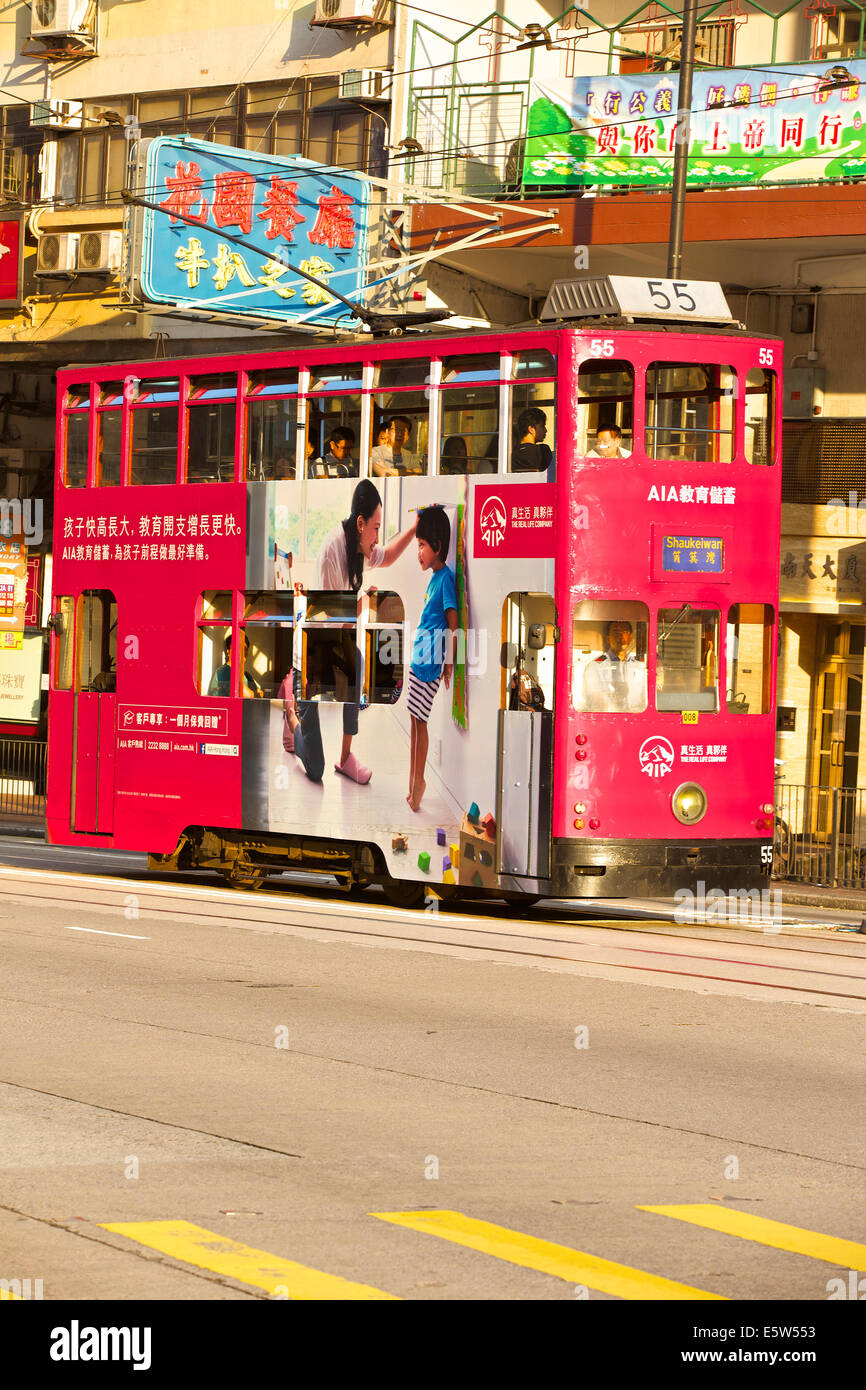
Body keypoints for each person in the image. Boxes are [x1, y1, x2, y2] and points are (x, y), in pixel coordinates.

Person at [286, 479, 417, 784]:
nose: (377, 537)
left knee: (356, 664)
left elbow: (389, 555)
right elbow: (331, 623)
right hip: (309, 658)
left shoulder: (358, 548)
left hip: (332, 643)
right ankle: (291, 718)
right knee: (314, 769)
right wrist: (362, 605)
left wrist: (414, 528)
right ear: (360, 523)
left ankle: (345, 758)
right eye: (375, 528)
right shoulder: (334, 550)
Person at [407, 505, 459, 813]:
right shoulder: (434, 578)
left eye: (422, 546)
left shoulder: (446, 580)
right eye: (418, 546)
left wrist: (450, 662)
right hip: (418, 661)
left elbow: (454, 624)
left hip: (429, 668)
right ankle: (413, 779)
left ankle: (419, 781)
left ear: (437, 546)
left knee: (420, 724)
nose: (419, 553)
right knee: (414, 724)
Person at [582, 620, 645, 712]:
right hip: (607, 718)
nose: (621, 636)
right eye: (616, 632)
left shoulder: (638, 667)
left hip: (634, 719)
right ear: (608, 639)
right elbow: (596, 699)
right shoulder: (595, 665)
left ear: (631, 638)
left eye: (625, 632)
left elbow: (643, 698)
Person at [512, 407, 552, 472]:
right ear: (531, 429)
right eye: (542, 426)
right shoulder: (543, 450)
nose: (545, 430)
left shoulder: (512, 453)